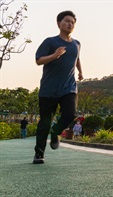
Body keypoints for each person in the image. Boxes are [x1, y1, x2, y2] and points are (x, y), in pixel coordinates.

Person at [33, 11, 83, 164]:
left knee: (70, 114)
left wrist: (80, 71)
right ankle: (39, 154)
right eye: (67, 21)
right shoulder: (50, 42)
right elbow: (39, 60)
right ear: (59, 23)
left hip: (68, 87)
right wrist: (54, 55)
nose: (70, 24)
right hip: (49, 89)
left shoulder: (76, 44)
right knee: (44, 123)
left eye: (73, 22)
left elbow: (77, 57)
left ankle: (55, 132)